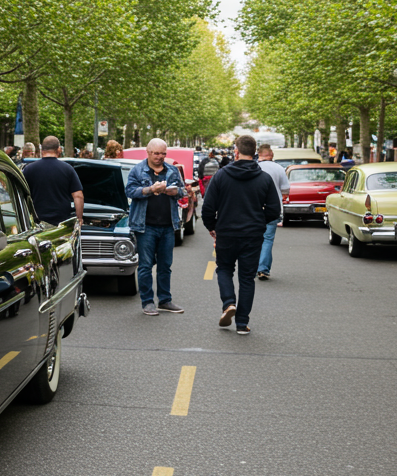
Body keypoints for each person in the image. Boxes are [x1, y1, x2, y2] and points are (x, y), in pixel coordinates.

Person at [201, 135, 281, 335]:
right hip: (252, 235)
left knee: (224, 269)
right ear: (255, 153)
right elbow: (274, 210)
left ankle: (228, 303)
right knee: (247, 278)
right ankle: (242, 323)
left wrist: (212, 227)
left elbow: (208, 207)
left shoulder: (221, 176)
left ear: (236, 151)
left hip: (226, 232)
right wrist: (259, 222)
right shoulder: (264, 178)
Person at [124, 138, 188, 316]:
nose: (160, 157)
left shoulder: (172, 170)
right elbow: (129, 191)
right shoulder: (138, 170)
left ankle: (165, 300)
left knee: (165, 265)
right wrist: (149, 190)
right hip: (145, 226)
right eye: (156, 153)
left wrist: (176, 192)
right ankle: (147, 302)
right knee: (145, 265)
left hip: (168, 225)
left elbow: (183, 191)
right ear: (148, 152)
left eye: (163, 154)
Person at [22, 136, 84, 227]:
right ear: (59, 149)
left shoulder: (29, 169)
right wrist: (79, 219)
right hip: (61, 223)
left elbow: (22, 194)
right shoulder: (68, 169)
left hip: (36, 223)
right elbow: (78, 196)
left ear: (41, 150)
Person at [255, 144, 290, 281]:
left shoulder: (254, 167)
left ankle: (251, 267)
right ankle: (263, 268)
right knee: (267, 239)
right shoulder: (279, 168)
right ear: (271, 154)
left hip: (253, 208)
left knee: (253, 239)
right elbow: (285, 189)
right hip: (272, 208)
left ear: (259, 154)